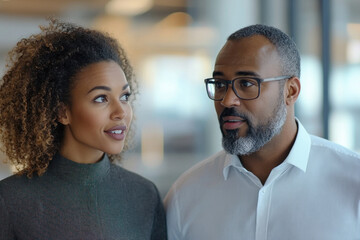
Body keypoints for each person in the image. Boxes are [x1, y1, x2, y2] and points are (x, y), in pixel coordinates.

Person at [164, 24, 360, 239]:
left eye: (247, 83)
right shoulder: (186, 195)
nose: (227, 100)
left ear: (291, 91)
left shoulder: (353, 182)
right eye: (220, 84)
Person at [0, 19, 167, 240]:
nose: (121, 112)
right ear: (62, 112)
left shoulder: (145, 195)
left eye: (124, 96)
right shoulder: (10, 200)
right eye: (101, 98)